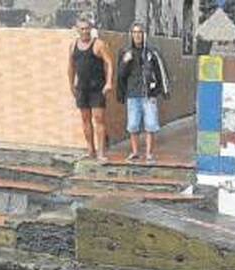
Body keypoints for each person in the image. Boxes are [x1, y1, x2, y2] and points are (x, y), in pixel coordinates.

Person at [116, 22, 170, 163]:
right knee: (133, 125)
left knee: (150, 125)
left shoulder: (152, 52)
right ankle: (134, 152)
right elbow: (120, 74)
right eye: (134, 32)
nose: (137, 35)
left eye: (139, 32)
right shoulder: (125, 52)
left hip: (148, 94)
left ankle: (149, 154)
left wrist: (163, 90)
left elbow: (161, 71)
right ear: (131, 35)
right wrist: (125, 62)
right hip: (132, 93)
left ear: (144, 34)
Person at [67, 17, 114, 163]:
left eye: (87, 28)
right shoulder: (73, 45)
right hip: (82, 88)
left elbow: (110, 63)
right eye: (82, 29)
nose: (85, 31)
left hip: (96, 88)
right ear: (77, 30)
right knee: (85, 119)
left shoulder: (98, 44)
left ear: (90, 29)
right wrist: (71, 85)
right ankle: (90, 150)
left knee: (99, 119)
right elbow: (70, 67)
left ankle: (101, 152)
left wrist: (108, 83)